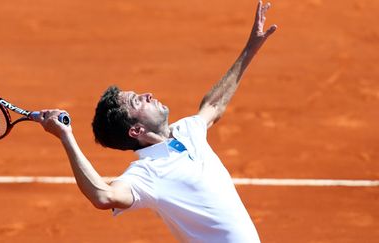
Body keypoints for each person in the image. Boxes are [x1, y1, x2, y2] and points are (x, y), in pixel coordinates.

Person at [34, 1, 277, 242]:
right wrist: (66, 136)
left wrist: (251, 48)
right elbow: (103, 196)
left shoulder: (185, 131)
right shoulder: (147, 174)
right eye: (137, 102)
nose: (147, 95)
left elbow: (213, 105)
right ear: (137, 130)